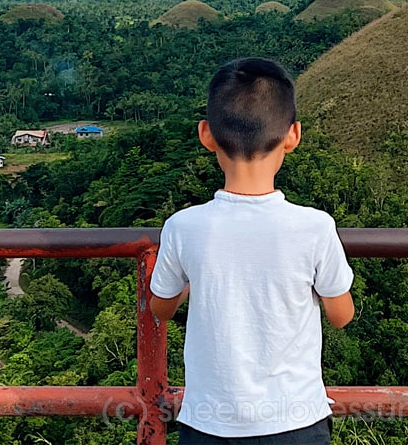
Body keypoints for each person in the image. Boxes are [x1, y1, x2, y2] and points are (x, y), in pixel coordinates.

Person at [150, 57, 355, 444]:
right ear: (292, 135)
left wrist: (199, 275)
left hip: (209, 423)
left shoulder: (183, 226)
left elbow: (161, 307)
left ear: (206, 134)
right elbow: (341, 315)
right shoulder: (315, 227)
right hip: (296, 423)